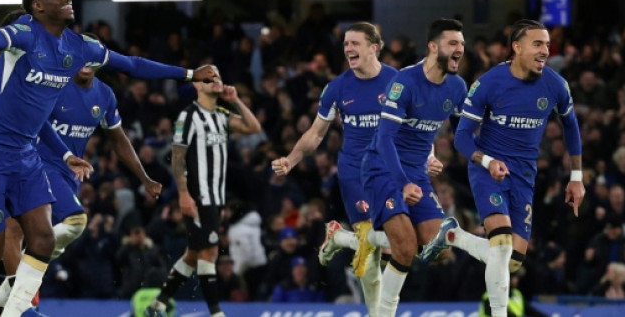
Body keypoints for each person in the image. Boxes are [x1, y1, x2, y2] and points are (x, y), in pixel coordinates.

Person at [0, 0, 217, 317]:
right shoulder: (24, 34)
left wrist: (189, 74)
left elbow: (133, 65)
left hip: (26, 156)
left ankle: (14, 311)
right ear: (38, 6)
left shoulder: (81, 47)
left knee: (44, 239)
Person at [0, 44, 166, 316]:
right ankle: (19, 305)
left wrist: (144, 177)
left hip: (69, 174)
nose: (87, 63)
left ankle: (0, 302)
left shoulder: (104, 95)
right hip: (33, 165)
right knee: (71, 222)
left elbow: (118, 139)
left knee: (28, 236)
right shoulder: (52, 85)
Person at [422, 20, 585, 317]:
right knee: (500, 245)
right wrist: (487, 161)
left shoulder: (555, 85)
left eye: (547, 45)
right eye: (538, 44)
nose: (545, 51)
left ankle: (454, 236)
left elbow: (571, 126)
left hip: (524, 174)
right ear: (517, 47)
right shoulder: (488, 83)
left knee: (512, 261)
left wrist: (576, 178)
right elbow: (461, 137)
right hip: (488, 170)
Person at [271, 22, 399, 315]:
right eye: (345, 44)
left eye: (355, 43)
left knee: (401, 240)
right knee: (369, 248)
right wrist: (291, 159)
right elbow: (316, 133)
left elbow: (417, 125)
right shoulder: (338, 87)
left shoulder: (397, 82)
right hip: (355, 171)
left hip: (390, 169)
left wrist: (428, 155)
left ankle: (339, 237)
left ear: (373, 47)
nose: (348, 49)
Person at [360, 18, 467, 317]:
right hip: (383, 168)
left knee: (439, 248)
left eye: (462, 44)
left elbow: (464, 133)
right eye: (453, 43)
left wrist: (489, 154)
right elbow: (385, 138)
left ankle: (363, 237)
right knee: (405, 249)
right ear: (433, 47)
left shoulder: (457, 86)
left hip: (417, 172)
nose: (460, 49)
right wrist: (403, 182)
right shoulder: (404, 82)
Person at [146, 66, 262, 317]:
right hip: (198, 195)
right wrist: (183, 194)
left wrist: (236, 100)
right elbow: (177, 158)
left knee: (193, 254)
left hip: (216, 196)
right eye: (209, 78)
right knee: (209, 251)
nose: (215, 80)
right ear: (197, 85)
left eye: (218, 76)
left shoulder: (222, 115)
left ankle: (158, 305)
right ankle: (216, 312)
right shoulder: (187, 117)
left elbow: (254, 128)